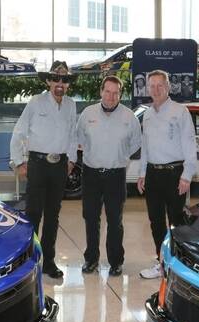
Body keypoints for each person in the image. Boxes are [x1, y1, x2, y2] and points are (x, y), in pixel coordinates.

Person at [10, 61, 77, 279]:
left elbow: (72, 135)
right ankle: (29, 262)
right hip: (37, 165)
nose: (60, 83)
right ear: (48, 81)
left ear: (68, 84)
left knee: (53, 216)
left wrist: (71, 160)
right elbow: (19, 132)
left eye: (64, 80)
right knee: (33, 215)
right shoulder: (36, 102)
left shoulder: (71, 105)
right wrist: (19, 161)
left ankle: (48, 261)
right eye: (56, 79)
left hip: (59, 166)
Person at [76, 75, 141, 276]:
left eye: (116, 93)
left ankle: (116, 261)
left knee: (115, 220)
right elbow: (80, 139)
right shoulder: (87, 114)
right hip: (91, 174)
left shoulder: (129, 117)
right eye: (108, 91)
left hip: (116, 175)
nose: (111, 96)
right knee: (91, 218)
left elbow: (136, 143)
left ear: (120, 94)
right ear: (101, 91)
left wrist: (119, 156)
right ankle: (91, 259)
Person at [137, 70, 197, 280]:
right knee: (155, 221)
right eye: (151, 86)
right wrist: (142, 173)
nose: (155, 90)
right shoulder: (147, 114)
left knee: (176, 222)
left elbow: (190, 144)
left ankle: (178, 264)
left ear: (168, 87)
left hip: (175, 174)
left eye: (159, 85)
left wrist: (187, 175)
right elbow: (145, 146)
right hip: (153, 174)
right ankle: (161, 262)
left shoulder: (180, 111)